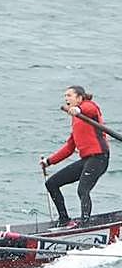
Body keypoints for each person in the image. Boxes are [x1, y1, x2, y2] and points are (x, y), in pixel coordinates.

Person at [41, 85, 110, 227]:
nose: (66, 98)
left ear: (79, 98)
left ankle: (85, 223)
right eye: (65, 96)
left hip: (99, 158)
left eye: (69, 95)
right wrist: (49, 161)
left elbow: (89, 108)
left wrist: (79, 110)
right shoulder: (76, 119)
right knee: (51, 183)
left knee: (82, 190)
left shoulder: (89, 107)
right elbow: (70, 147)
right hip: (86, 160)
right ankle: (65, 220)